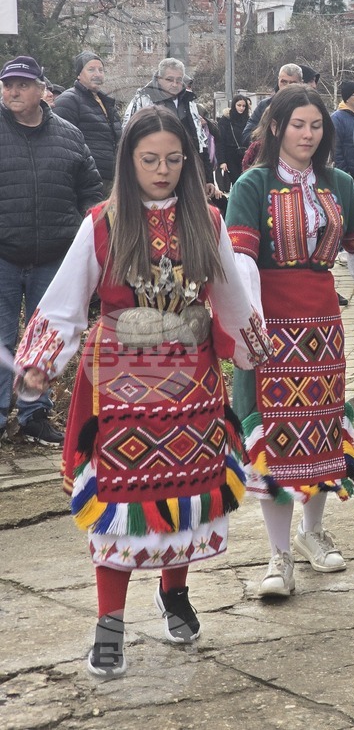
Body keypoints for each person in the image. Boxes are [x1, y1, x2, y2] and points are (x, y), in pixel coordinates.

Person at [14, 106, 272, 678]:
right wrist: (41, 363)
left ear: (188, 160)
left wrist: (254, 350)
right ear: (128, 161)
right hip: (119, 384)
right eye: (150, 160)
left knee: (188, 491)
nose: (162, 171)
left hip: (191, 380)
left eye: (174, 160)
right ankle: (110, 621)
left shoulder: (206, 218)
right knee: (121, 502)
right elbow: (64, 300)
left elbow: (229, 295)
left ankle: (175, 592)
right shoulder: (103, 223)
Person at [225, 84, 354, 598]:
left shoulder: (340, 184)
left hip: (323, 324)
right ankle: (278, 552)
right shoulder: (252, 184)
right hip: (268, 323)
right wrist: (249, 321)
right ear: (276, 127)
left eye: (316, 126)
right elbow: (240, 258)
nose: (307, 134)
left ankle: (312, 533)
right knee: (274, 432)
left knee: (322, 427)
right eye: (298, 124)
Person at [0, 55, 104, 446]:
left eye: (22, 84)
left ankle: (35, 415)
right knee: (3, 338)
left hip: (54, 260)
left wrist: (90, 247)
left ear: (42, 90)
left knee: (46, 339)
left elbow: (91, 197)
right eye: (7, 84)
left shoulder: (69, 135)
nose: (13, 91)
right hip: (4, 255)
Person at [121, 58, 218, 202]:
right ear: (159, 78)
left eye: (179, 80)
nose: (175, 84)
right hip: (152, 168)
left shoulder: (189, 101)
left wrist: (207, 178)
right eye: (170, 79)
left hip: (187, 170)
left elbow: (200, 142)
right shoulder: (143, 99)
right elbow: (127, 139)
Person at [52, 51, 122, 194]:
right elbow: (61, 143)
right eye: (91, 69)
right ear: (79, 74)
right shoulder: (68, 100)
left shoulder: (106, 102)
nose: (97, 74)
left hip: (112, 179)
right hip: (87, 180)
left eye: (100, 70)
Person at [240, 63, 302, 147]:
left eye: (292, 83)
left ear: (300, 83)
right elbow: (246, 136)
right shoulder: (265, 105)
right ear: (278, 80)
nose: (287, 86)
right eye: (284, 82)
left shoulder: (306, 107)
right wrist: (267, 132)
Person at [332, 81, 354, 207]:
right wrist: (345, 172)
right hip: (351, 175)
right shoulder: (338, 118)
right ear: (347, 98)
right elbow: (336, 148)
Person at [217, 94, 251, 188]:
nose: (241, 108)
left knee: (246, 181)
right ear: (234, 105)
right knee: (236, 182)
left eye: (244, 106)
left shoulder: (248, 120)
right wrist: (222, 161)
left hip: (245, 154)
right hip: (230, 155)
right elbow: (220, 141)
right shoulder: (226, 120)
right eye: (239, 105)